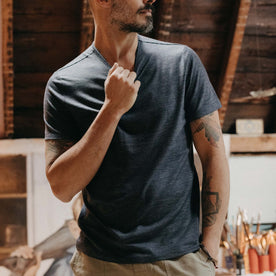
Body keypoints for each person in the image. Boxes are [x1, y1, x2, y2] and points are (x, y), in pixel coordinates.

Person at [43, 0, 230, 275]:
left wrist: (210, 250)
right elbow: (62, 187)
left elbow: (213, 155)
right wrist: (112, 109)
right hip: (100, 265)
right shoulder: (64, 85)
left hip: (182, 263)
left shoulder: (181, 63)